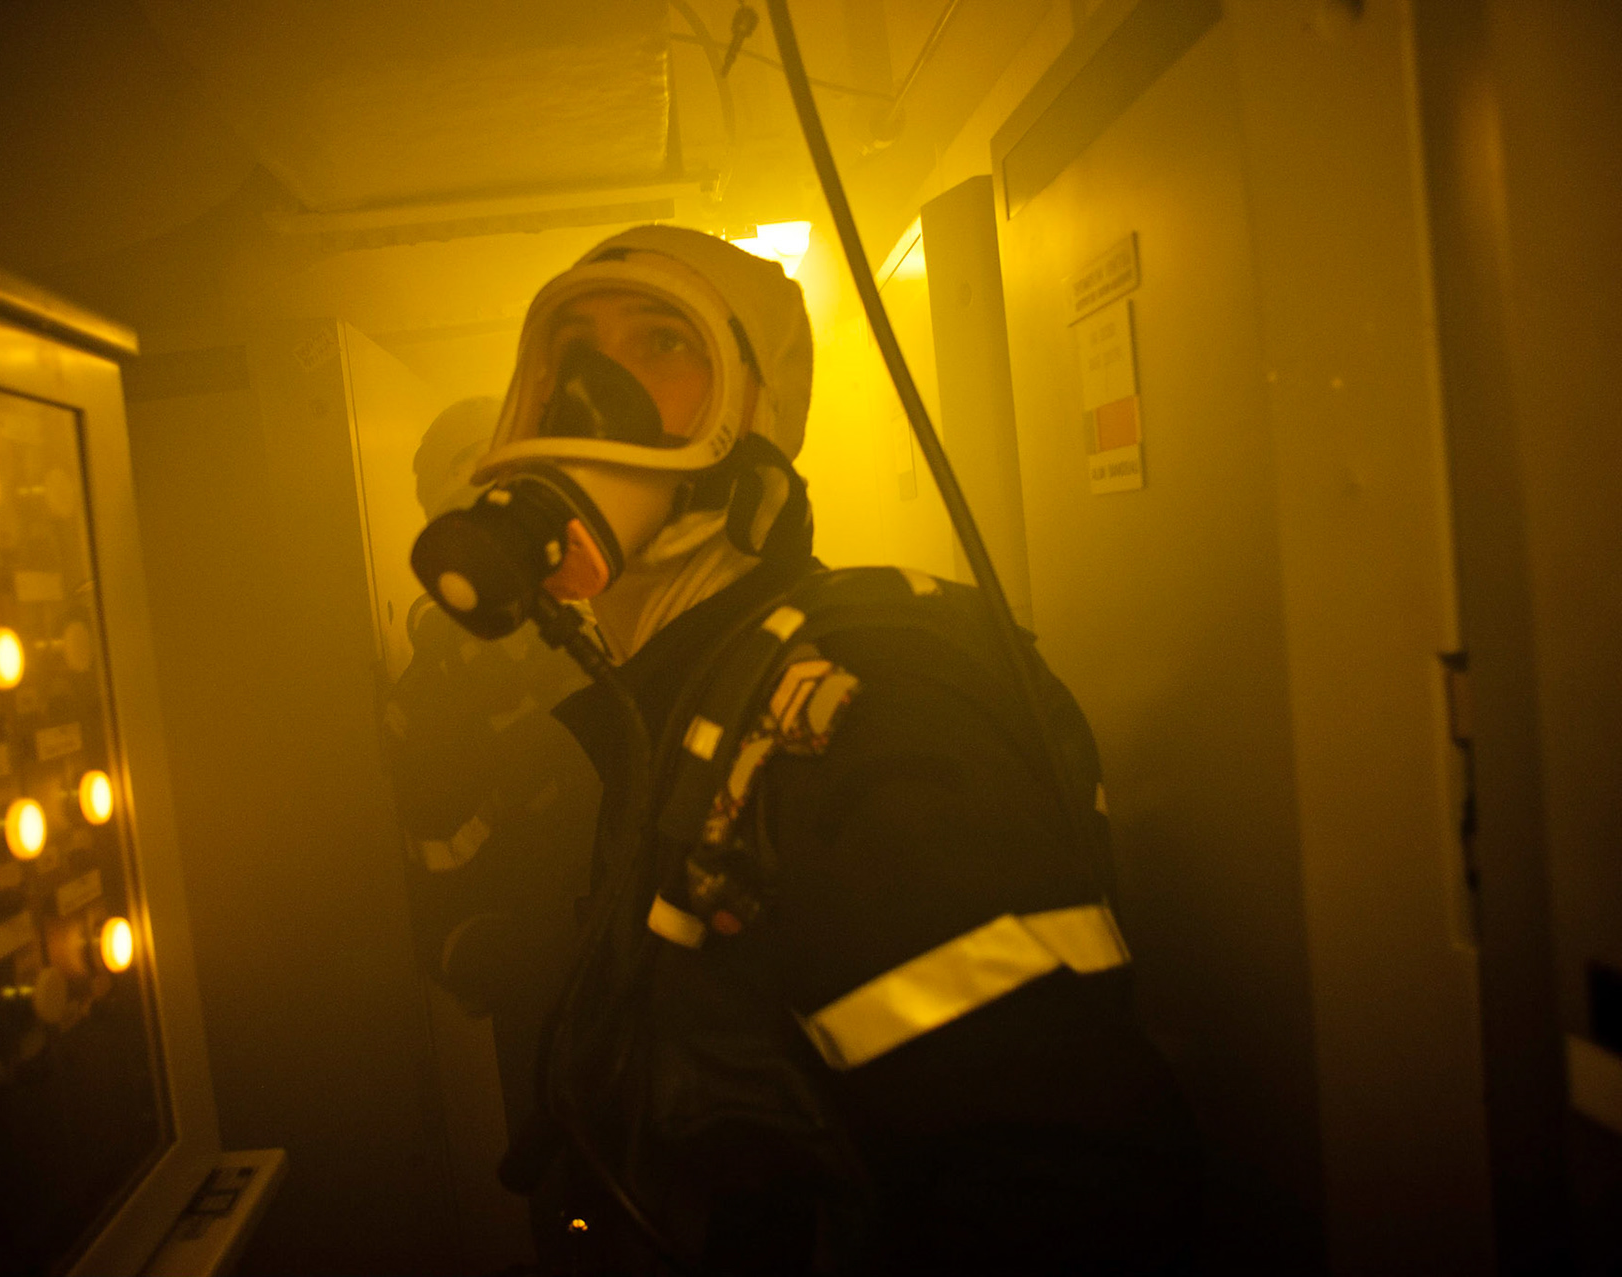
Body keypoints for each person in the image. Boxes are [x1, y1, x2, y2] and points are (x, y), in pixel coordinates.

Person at [416, 226, 1199, 1275]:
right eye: (573, 348)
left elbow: (1049, 1187)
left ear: (756, 416)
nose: (592, 392)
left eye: (660, 343)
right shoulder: (679, 706)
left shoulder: (870, 712)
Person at [380, 397, 603, 1267]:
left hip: (667, 992)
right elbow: (434, 894)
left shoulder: (607, 629)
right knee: (580, 1225)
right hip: (549, 1011)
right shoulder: (426, 699)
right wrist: (517, 955)